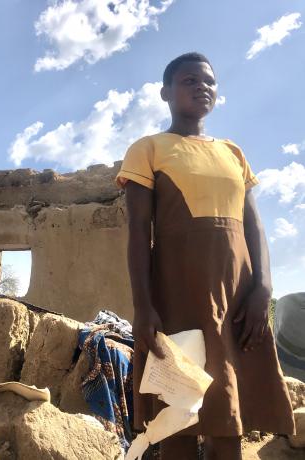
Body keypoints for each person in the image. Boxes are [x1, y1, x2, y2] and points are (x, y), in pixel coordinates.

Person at [116, 52, 295, 460]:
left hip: (237, 298)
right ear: (165, 92)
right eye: (189, 80)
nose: (202, 87)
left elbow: (255, 227)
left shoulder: (233, 153)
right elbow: (138, 232)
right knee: (178, 413)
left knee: (228, 415)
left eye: (209, 82)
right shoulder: (149, 149)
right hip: (178, 292)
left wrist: (263, 288)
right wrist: (143, 308)